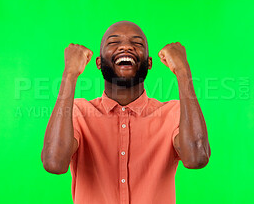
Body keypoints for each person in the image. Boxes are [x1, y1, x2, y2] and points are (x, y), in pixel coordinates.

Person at [41, 21, 211, 204]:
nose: (126, 47)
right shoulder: (78, 113)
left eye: (137, 43)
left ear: (149, 63)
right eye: (114, 42)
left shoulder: (173, 114)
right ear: (99, 62)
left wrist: (183, 71)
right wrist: (70, 74)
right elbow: (54, 162)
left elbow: (197, 158)